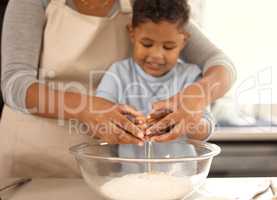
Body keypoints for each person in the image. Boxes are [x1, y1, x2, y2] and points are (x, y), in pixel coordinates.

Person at [0, 0, 236, 178]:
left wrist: (196, 96)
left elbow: (221, 64)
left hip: (100, 167)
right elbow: (15, 84)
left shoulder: (144, 5)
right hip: (29, 159)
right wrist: (85, 108)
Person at [96, 0, 215, 173]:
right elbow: (99, 121)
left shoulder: (190, 76)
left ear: (183, 41)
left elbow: (206, 129)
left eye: (168, 47)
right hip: (131, 181)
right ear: (132, 34)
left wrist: (186, 122)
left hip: (180, 180)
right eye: (147, 44)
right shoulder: (118, 74)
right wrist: (125, 124)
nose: (157, 55)